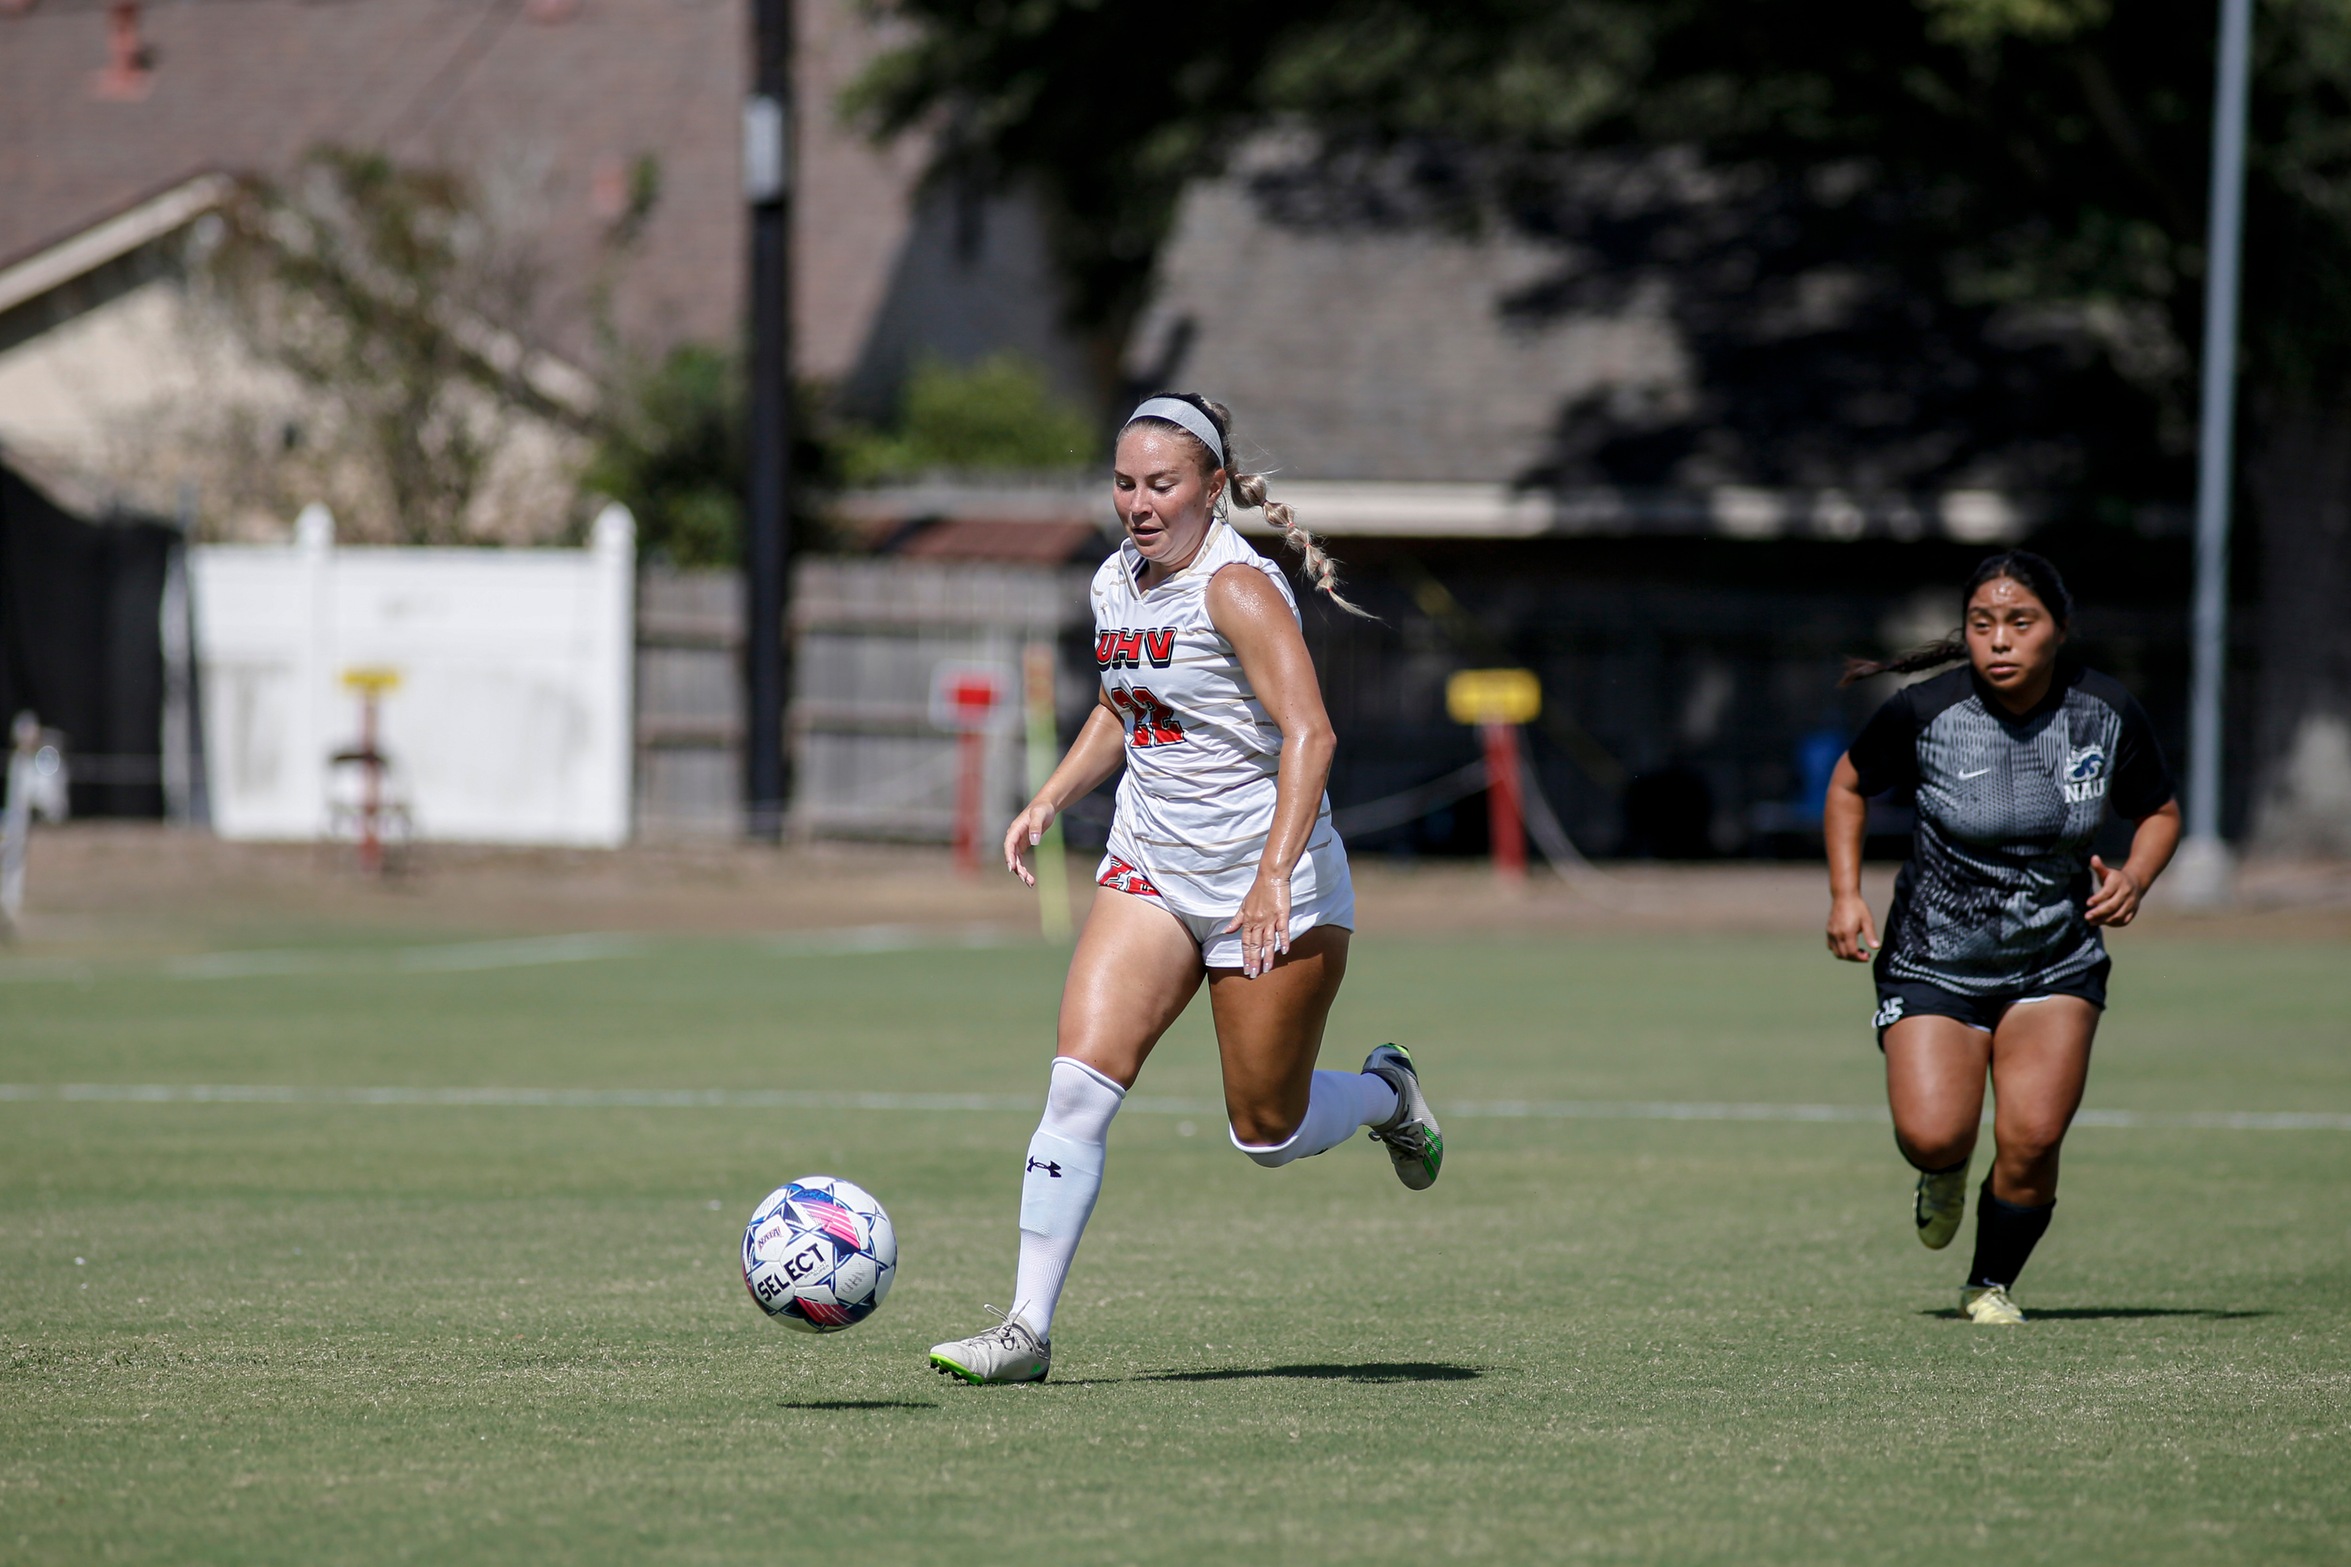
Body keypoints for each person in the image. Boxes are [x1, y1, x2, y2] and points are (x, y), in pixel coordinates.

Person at [927, 393, 1444, 1385]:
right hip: (1150, 866)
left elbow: (1312, 734)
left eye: (1160, 484)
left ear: (1212, 487)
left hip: (1273, 882)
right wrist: (1047, 797)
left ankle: (1387, 1095)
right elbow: (1124, 708)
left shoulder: (1237, 589)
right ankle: (1023, 1330)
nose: (1138, 503)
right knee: (1075, 1088)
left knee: (1266, 1131)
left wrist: (1267, 880)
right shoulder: (1114, 581)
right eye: (1123, 483)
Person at [1824, 551, 2180, 1325]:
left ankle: (1989, 1282)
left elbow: (2158, 810)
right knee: (1931, 1132)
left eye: (2020, 622)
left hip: (2055, 956)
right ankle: (1942, 1170)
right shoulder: (1926, 711)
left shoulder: (2104, 710)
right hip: (1932, 960)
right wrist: (1845, 894)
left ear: (2057, 630)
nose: (1999, 640)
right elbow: (1848, 783)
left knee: (2032, 1136)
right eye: (1982, 624)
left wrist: (2136, 876)